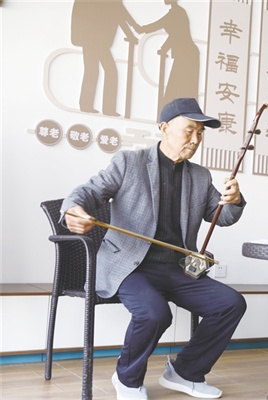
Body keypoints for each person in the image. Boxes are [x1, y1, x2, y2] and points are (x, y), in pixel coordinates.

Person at [62, 97, 247, 400]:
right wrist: (73, 209)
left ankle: (185, 372)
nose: (195, 139)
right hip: (130, 267)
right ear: (164, 128)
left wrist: (235, 199)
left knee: (231, 303)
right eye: (189, 130)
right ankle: (127, 379)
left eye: (200, 133)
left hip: (178, 268)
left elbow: (222, 217)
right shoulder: (129, 162)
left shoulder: (200, 176)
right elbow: (89, 191)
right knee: (155, 313)